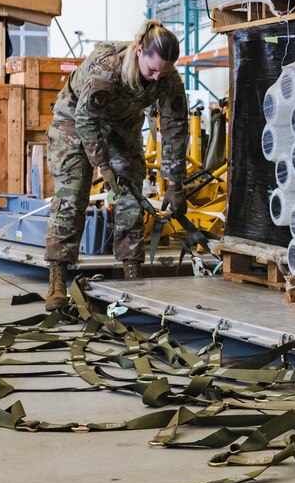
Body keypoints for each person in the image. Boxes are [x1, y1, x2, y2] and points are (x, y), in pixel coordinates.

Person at [44, 19, 189, 311]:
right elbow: (86, 120)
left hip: (121, 126)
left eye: (165, 71)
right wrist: (103, 166)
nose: (157, 77)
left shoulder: (168, 78)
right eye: (152, 70)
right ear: (139, 52)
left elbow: (175, 127)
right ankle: (57, 277)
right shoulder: (107, 68)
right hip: (74, 121)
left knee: (132, 190)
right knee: (73, 194)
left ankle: (131, 271)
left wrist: (175, 183)